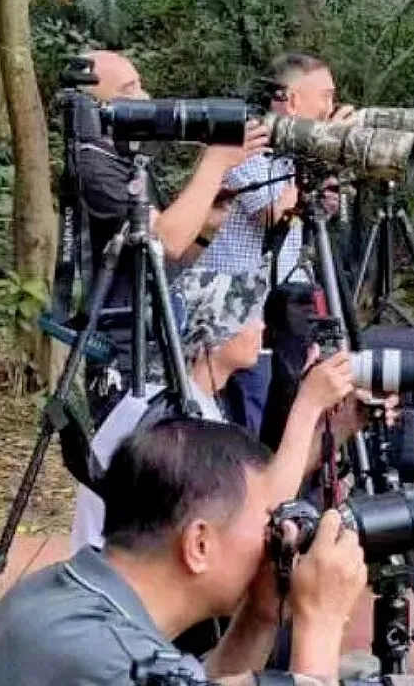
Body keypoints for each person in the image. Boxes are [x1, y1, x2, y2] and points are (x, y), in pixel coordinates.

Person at [0, 419, 368, 686]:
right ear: (199, 544)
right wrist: (321, 622)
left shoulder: (57, 593)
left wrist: (259, 617)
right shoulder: (116, 669)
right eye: (268, 522)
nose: (275, 538)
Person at [70, 266, 383, 554]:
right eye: (248, 316)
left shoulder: (170, 398)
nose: (262, 326)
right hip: (131, 583)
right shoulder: (176, 421)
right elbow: (266, 506)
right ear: (211, 338)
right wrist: (309, 402)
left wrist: (342, 425)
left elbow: (264, 483)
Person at [71, 50, 271, 426]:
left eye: (141, 85)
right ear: (95, 109)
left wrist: (206, 223)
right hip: (124, 349)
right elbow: (167, 240)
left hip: (155, 331)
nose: (145, 98)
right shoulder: (94, 167)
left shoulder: (126, 161)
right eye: (129, 90)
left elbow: (169, 255)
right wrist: (215, 163)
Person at [197, 52, 354, 437]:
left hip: (282, 297)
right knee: (247, 410)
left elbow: (308, 211)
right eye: (325, 96)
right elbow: (271, 212)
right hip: (235, 300)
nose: (331, 107)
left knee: (284, 397)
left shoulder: (293, 153)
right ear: (292, 100)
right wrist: (320, 149)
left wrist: (324, 192)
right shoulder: (249, 141)